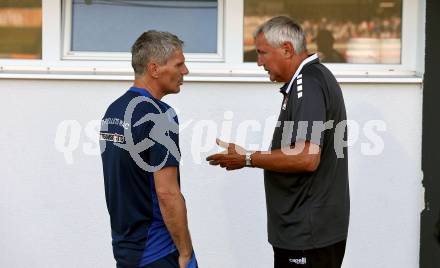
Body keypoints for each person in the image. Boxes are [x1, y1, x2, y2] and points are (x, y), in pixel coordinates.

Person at [207, 16, 350, 268]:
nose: (259, 61)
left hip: (307, 234)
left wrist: (248, 158)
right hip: (307, 232)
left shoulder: (308, 82)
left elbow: (307, 157)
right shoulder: (307, 80)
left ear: (286, 49)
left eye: (262, 53)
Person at [100, 30, 197, 268]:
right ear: (154, 69)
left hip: (125, 248)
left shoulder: (113, 112)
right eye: (179, 64)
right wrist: (185, 253)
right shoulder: (160, 115)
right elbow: (167, 193)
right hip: (157, 249)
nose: (185, 71)